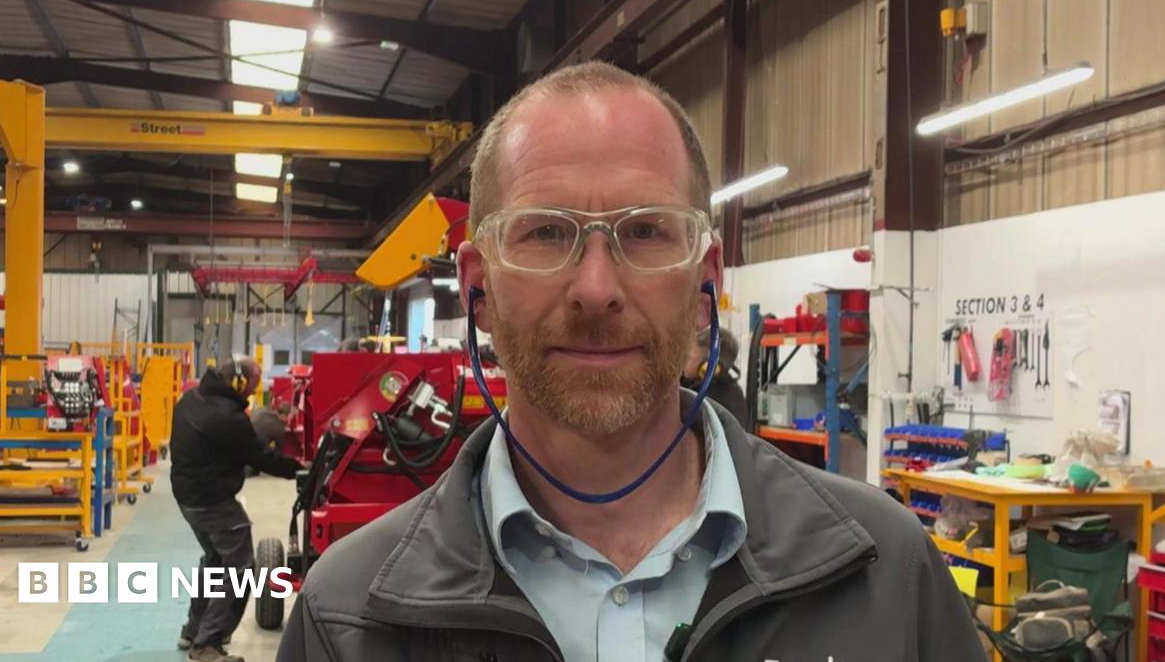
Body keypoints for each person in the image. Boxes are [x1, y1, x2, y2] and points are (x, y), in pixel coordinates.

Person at [279, 62, 983, 661]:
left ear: (706, 284)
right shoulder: (348, 622)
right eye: (546, 232)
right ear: (477, 286)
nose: (595, 289)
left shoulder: (889, 576)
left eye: (645, 232)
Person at [171, 356, 301, 662]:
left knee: (215, 559)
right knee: (241, 568)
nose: (251, 394)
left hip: (187, 498)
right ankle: (207, 644)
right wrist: (300, 469)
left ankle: (193, 630)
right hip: (211, 501)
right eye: (251, 388)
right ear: (239, 385)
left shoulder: (191, 397)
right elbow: (260, 456)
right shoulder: (228, 417)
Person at [681, 327, 747, 422]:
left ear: (707, 367)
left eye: (689, 357)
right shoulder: (693, 382)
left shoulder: (721, 401)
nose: (683, 361)